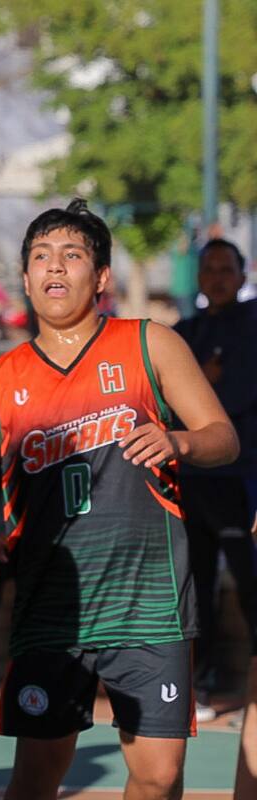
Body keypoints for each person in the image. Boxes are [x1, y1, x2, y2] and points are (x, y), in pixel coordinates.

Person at [0, 199, 239, 800]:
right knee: (37, 775)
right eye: (41, 257)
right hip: (53, 606)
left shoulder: (149, 343)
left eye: (72, 256)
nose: (55, 268)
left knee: (158, 778)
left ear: (101, 277)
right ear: (25, 279)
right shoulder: (0, 379)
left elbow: (223, 438)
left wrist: (177, 438)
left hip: (149, 600)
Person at [172, 238, 257, 721]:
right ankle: (200, 685)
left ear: (243, 275)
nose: (219, 277)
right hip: (193, 479)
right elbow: (168, 400)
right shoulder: (185, 331)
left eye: (227, 269)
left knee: (251, 581)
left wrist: (205, 384)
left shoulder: (252, 324)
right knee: (195, 583)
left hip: (244, 478)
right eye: (210, 269)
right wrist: (202, 379)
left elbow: (236, 394)